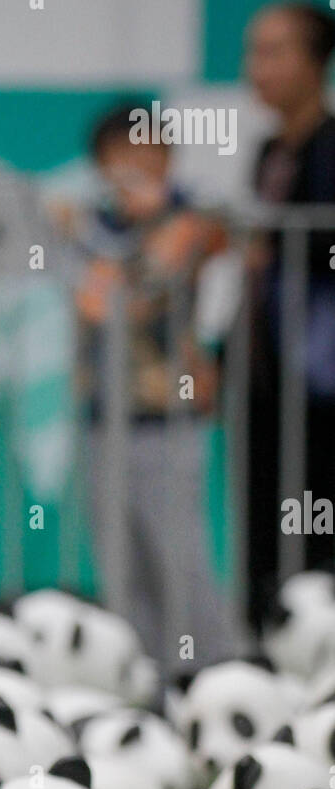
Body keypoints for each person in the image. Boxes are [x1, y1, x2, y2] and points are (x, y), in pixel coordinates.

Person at [64, 104, 240, 666]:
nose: (136, 164)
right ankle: (145, 686)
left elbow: (134, 296)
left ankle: (219, 672)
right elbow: (89, 299)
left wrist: (161, 215)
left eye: (149, 150)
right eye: (122, 154)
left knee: (181, 561)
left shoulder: (191, 220)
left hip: (168, 414)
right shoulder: (88, 227)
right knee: (121, 565)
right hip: (101, 413)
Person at [245, 3, 335, 630]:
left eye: (275, 52)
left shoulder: (330, 147)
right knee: (265, 529)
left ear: (316, 61)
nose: (259, 68)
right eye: (254, 52)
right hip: (265, 378)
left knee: (316, 521)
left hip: (322, 385)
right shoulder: (269, 150)